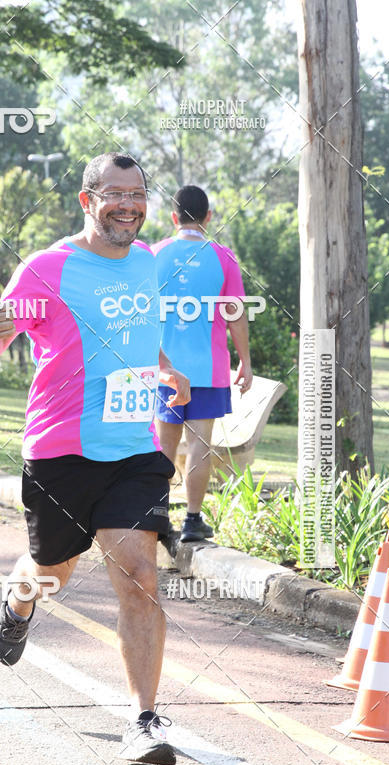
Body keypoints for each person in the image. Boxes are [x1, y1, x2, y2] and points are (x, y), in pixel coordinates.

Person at [0, 152, 190, 765]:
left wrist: (167, 369)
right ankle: (19, 603)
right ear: (87, 200)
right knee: (52, 572)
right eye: (115, 193)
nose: (129, 204)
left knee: (140, 575)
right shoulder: (48, 268)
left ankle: (144, 721)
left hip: (133, 451)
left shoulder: (147, 262)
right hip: (60, 451)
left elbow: (142, 334)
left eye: (138, 194)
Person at [152, 185, 253, 543]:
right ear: (208, 217)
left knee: (164, 445)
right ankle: (192, 521)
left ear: (173, 217)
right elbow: (237, 314)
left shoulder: (154, 255)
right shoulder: (223, 257)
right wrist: (245, 361)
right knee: (199, 444)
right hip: (208, 370)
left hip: (164, 370)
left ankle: (158, 518)